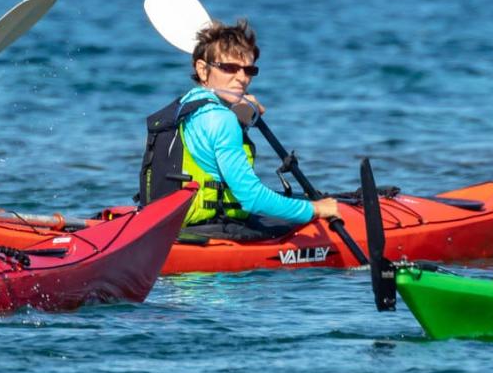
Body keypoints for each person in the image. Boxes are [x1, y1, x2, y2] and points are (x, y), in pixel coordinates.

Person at [136, 18, 340, 240]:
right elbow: (252, 198)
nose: (242, 78)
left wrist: (240, 110)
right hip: (209, 230)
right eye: (229, 68)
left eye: (249, 70)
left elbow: (207, 145)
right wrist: (315, 209)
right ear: (202, 70)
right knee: (296, 211)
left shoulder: (186, 105)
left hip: (170, 224)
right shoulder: (222, 120)